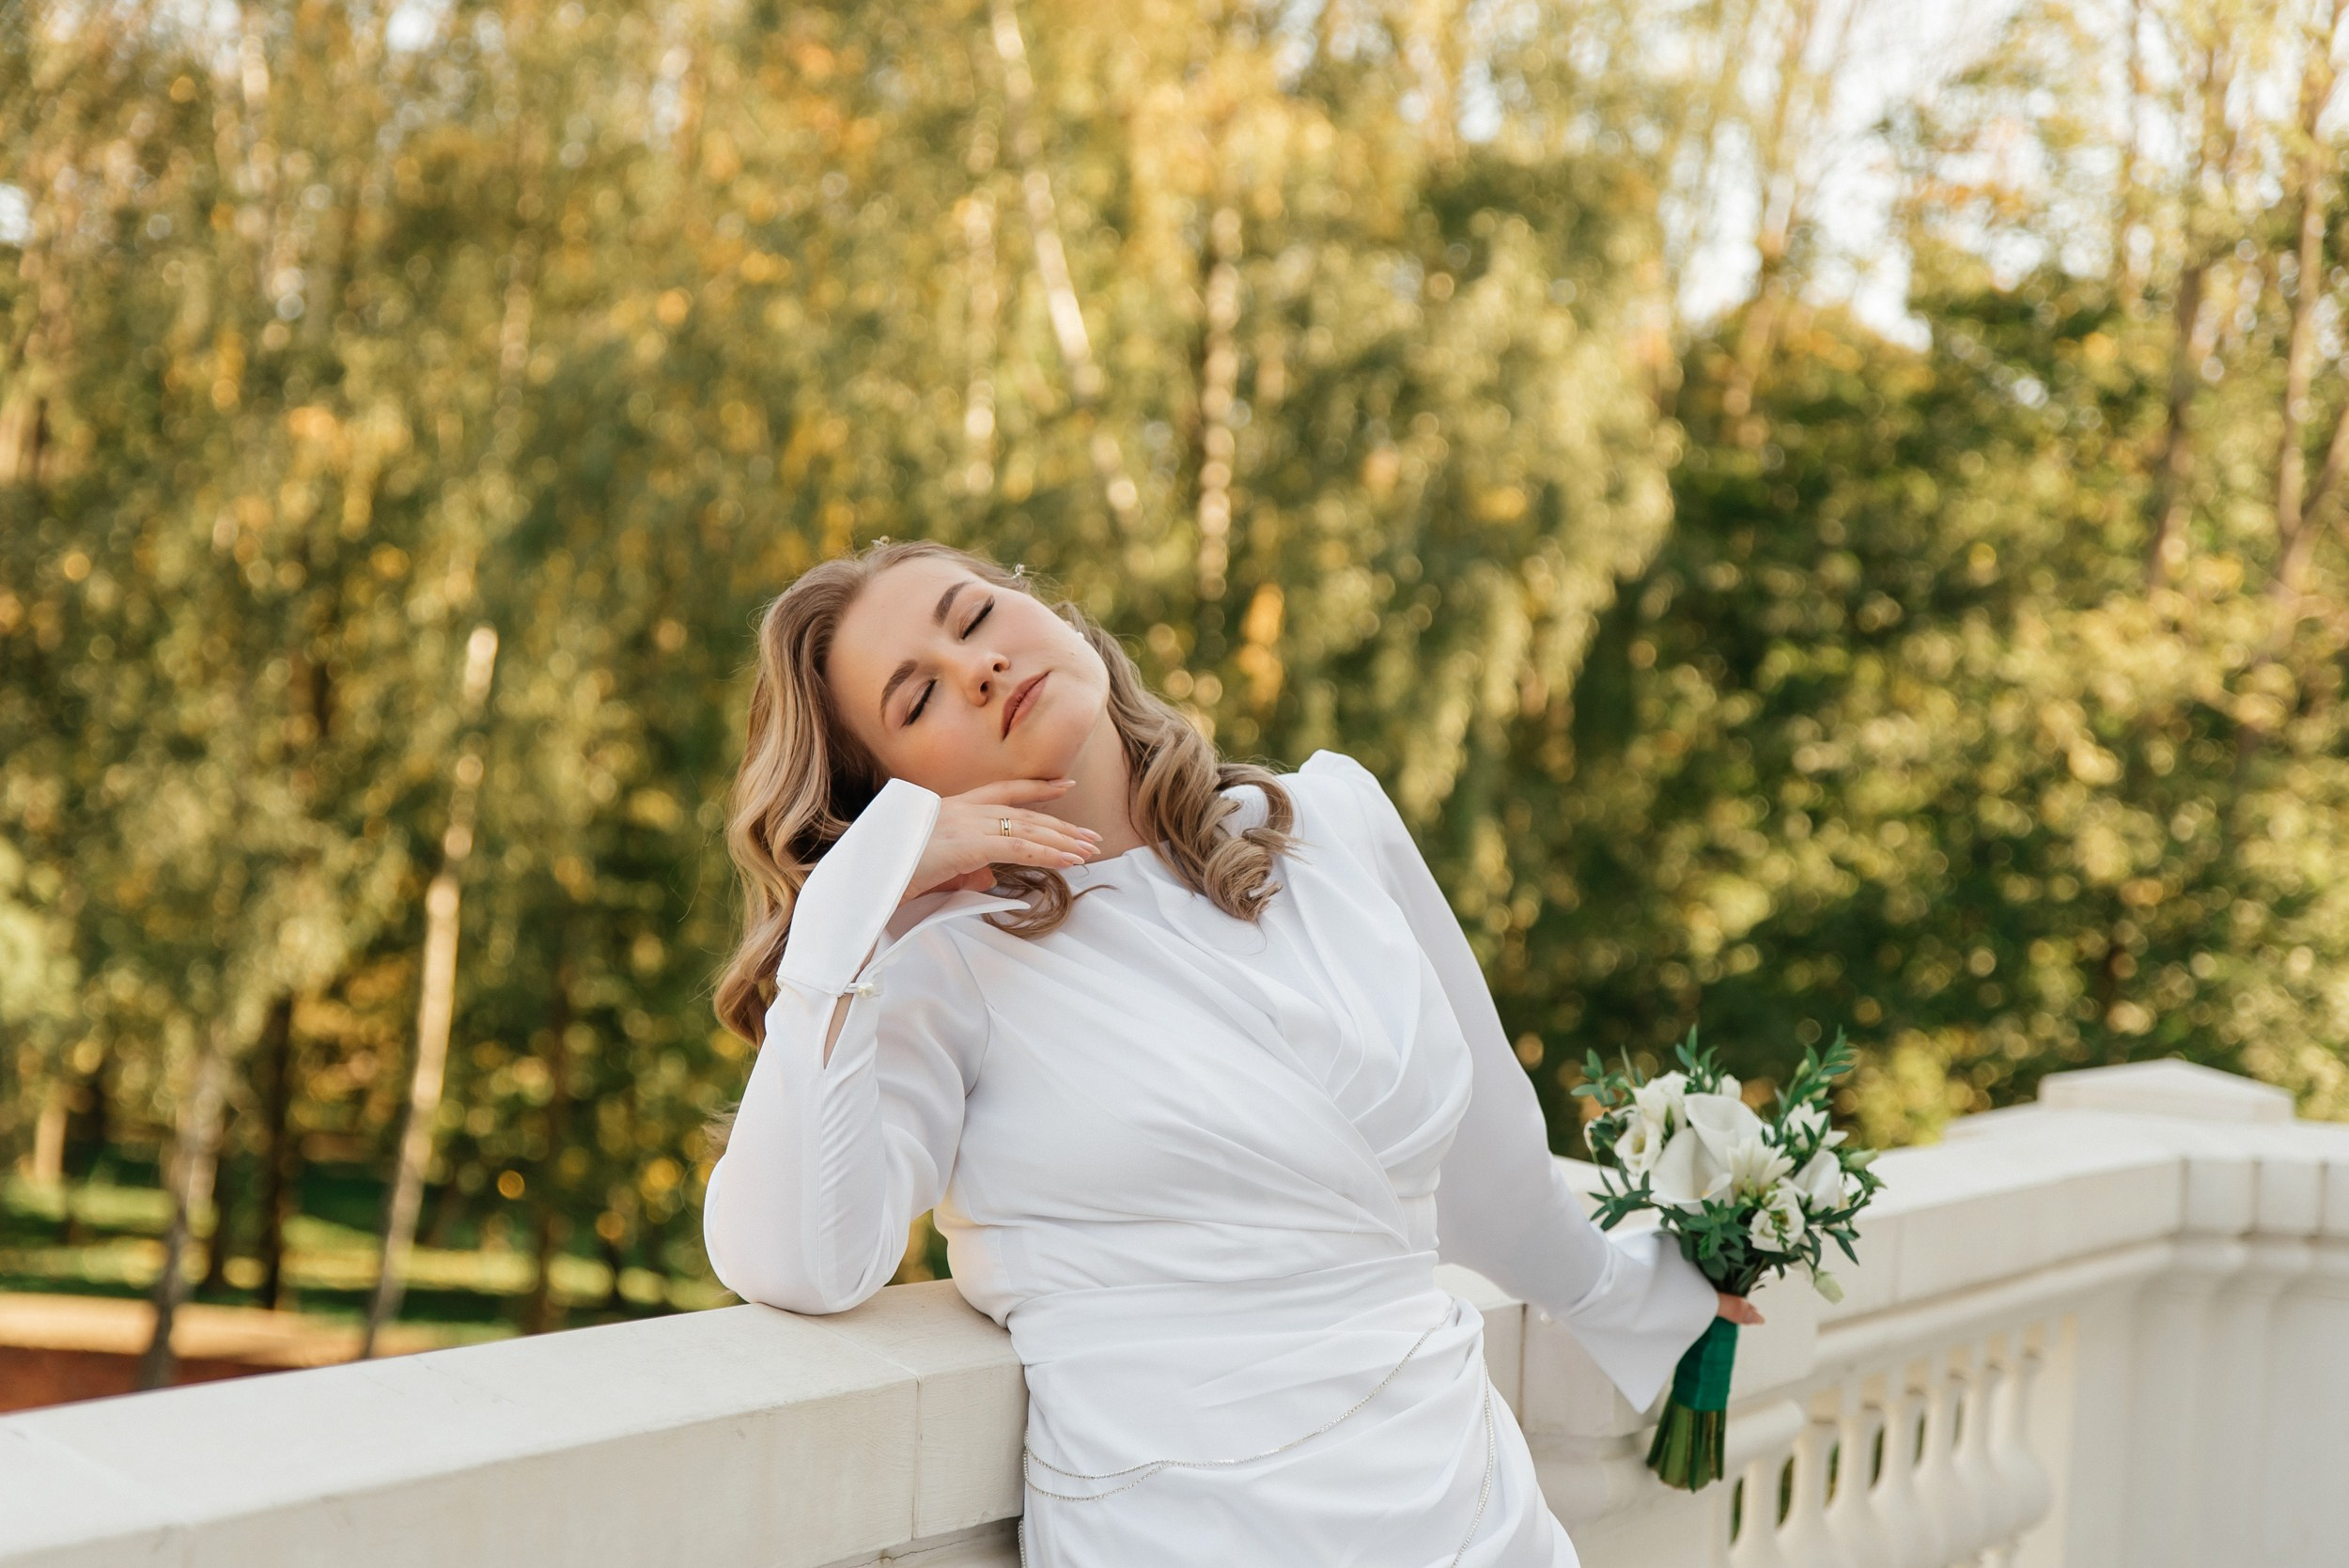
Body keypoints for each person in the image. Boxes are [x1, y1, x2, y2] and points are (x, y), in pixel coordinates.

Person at [702, 540, 1759, 1566]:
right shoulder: (937, 967)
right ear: (890, 790)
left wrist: (1654, 1295)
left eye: (976, 617)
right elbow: (799, 1260)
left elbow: (1493, 1180)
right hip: (1182, 1529)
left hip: (1464, 1503)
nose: (976, 669)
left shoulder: (1330, 822)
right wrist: (848, 915)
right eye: (915, 698)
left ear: (1049, 611)